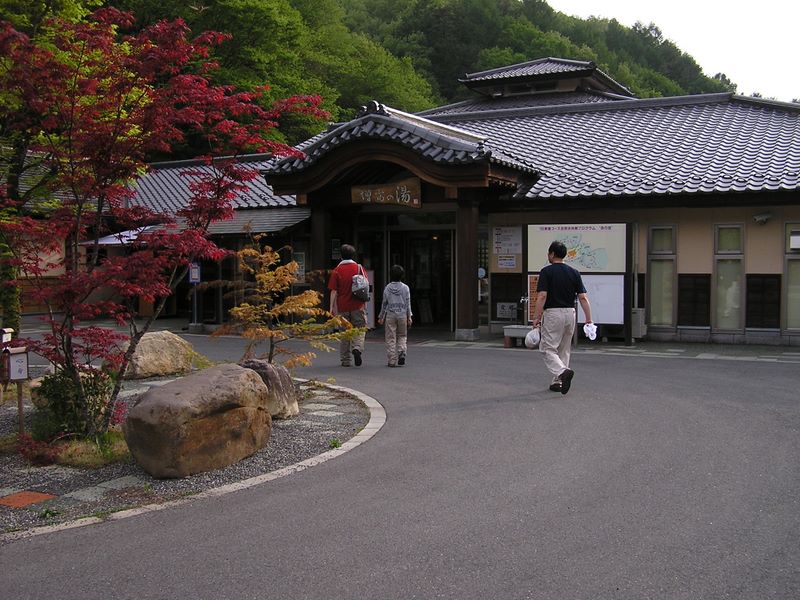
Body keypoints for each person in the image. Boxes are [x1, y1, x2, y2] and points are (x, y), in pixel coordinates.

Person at [531, 240, 593, 395]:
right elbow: (583, 298)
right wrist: (589, 319)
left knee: (547, 348)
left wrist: (536, 317)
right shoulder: (574, 272)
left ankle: (562, 372)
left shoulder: (547, 272)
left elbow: (542, 296)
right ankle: (558, 382)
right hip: (570, 313)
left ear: (552, 254)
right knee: (564, 348)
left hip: (553, 313)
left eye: (549, 253)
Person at [328, 244, 367, 367]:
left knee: (344, 333)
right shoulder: (359, 268)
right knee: (360, 328)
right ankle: (357, 347)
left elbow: (333, 291)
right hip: (358, 305)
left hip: (342, 306)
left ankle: (345, 360)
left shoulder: (337, 270)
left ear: (341, 256)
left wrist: (331, 307)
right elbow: (365, 286)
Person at [377, 264, 413, 367]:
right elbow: (408, 303)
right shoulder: (405, 288)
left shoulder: (387, 288)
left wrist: (381, 316)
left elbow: (384, 303)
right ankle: (401, 351)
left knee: (390, 337)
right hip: (402, 315)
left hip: (390, 315)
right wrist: (409, 316)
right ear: (402, 276)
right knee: (402, 335)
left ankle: (391, 360)